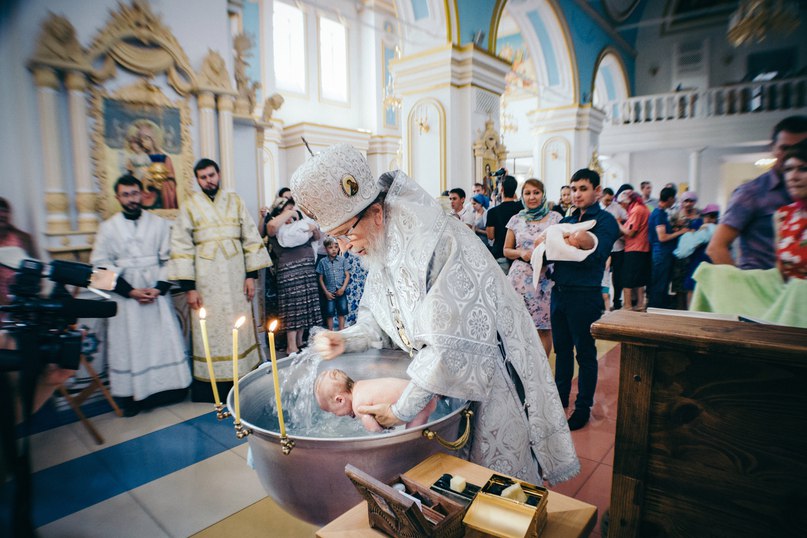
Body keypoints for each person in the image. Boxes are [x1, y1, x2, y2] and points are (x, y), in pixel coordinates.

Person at [292, 144, 579, 486]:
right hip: (445, 379)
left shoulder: (432, 241)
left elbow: (450, 342)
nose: (346, 246)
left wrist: (399, 411)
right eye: (336, 238)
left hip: (493, 373)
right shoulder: (381, 243)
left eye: (346, 233)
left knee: (499, 481)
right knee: (459, 481)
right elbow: (381, 319)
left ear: (376, 214)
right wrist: (345, 339)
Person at [168, 158, 271, 402]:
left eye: (211, 175)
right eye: (203, 177)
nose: (208, 180)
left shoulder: (235, 202)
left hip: (236, 278)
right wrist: (189, 288)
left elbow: (250, 237)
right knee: (210, 329)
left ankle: (243, 380)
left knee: (241, 325)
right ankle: (212, 388)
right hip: (206, 282)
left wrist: (251, 276)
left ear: (219, 174)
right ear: (197, 180)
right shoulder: (190, 207)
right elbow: (180, 247)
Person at [91, 175, 191, 416]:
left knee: (160, 342)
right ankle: (132, 397)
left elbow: (171, 258)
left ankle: (168, 391)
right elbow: (97, 270)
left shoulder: (158, 224)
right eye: (125, 194)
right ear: (118, 197)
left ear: (142, 194)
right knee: (130, 344)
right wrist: (129, 291)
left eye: (135, 193)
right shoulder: (107, 228)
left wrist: (158, 287)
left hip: (155, 296)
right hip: (125, 300)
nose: (131, 199)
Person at [549, 169, 619, 431]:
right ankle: (559, 400)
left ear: (597, 191)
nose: (576, 194)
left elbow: (597, 254)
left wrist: (573, 241)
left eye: (582, 188)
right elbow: (552, 253)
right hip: (560, 292)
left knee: (586, 354)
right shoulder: (566, 219)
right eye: (573, 189)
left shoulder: (606, 221)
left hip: (584, 294)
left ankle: (582, 408)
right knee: (562, 352)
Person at [707, 115, 807, 269]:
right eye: (785, 148)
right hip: (761, 284)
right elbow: (716, 247)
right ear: (772, 148)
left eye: (799, 148)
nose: (791, 155)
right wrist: (745, 287)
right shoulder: (752, 192)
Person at [503, 179, 562, 355]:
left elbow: (562, 247)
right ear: (522, 196)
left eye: (536, 192)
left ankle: (542, 373)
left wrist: (546, 254)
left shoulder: (555, 218)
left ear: (543, 194)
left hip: (545, 280)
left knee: (544, 327)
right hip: (520, 279)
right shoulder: (516, 220)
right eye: (527, 193)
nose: (532, 197)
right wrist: (521, 253)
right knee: (519, 327)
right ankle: (524, 371)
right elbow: (506, 250)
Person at [265, 200, 322, 355]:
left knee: (304, 307)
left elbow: (316, 238)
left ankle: (299, 342)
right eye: (288, 210)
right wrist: (290, 212)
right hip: (289, 272)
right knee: (293, 309)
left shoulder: (300, 224)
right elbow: (270, 228)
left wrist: (313, 228)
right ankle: (291, 346)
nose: (292, 212)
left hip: (307, 270)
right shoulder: (274, 225)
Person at [314, 368, 437, 432]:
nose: (336, 415)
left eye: (333, 411)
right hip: (422, 391)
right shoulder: (361, 385)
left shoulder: (358, 406)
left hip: (420, 403)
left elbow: (374, 430)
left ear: (340, 400)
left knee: (411, 437)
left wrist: (381, 433)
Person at [648, 187, 689, 309]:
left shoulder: (662, 213)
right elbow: (662, 237)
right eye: (674, 198)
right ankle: (656, 308)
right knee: (660, 283)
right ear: (670, 198)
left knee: (663, 282)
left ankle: (659, 306)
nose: (674, 200)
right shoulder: (659, 214)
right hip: (661, 253)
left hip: (663, 253)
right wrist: (681, 232)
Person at [775, 141, 807, 281]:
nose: (793, 177)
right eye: (788, 169)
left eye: (803, 169)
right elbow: (781, 274)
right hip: (794, 299)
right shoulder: (784, 214)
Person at [0, 198, 37, 309]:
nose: (2, 214)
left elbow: (36, 267)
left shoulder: (23, 238)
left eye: (5, 211)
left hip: (22, 301)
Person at [618, 191, 650, 311]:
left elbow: (630, 232)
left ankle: (627, 305)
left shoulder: (636, 210)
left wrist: (618, 223)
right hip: (643, 248)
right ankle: (641, 304)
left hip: (634, 249)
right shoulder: (644, 208)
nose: (622, 207)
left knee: (627, 278)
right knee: (639, 279)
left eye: (622, 204)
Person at [485, 175, 523, 274]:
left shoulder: (493, 211)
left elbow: (490, 236)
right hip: (519, 255)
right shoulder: (522, 209)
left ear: (501, 189)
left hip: (501, 254)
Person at [600, 187, 627, 309]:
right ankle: (602, 302)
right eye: (606, 200)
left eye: (611, 200)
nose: (608, 202)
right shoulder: (597, 207)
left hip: (617, 247)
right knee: (602, 275)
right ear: (601, 196)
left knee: (618, 276)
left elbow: (626, 220)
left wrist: (619, 222)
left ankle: (617, 301)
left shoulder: (617, 207)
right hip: (604, 248)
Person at [317, 237, 350, 331]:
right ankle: (330, 331)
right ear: (326, 249)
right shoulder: (322, 262)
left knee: (342, 311)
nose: (334, 249)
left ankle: (341, 329)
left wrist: (343, 288)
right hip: (329, 292)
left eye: (336, 247)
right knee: (329, 312)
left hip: (341, 291)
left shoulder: (342, 260)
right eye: (330, 247)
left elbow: (347, 275)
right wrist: (326, 292)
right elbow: (320, 278)